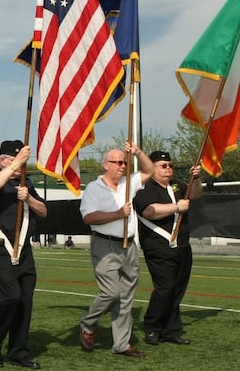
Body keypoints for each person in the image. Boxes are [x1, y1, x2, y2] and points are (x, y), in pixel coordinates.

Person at [78, 142, 153, 359]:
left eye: (124, 162)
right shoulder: (94, 188)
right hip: (105, 244)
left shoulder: (129, 183)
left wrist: (137, 152)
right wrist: (118, 214)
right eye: (117, 162)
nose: (122, 166)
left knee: (126, 297)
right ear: (105, 165)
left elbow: (150, 171)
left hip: (129, 245)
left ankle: (122, 343)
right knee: (111, 292)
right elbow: (89, 217)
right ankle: (88, 324)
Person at [0, 140, 47, 369]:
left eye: (22, 161)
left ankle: (18, 351)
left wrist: (28, 198)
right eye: (15, 160)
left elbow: (43, 210)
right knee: (10, 296)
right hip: (0, 249)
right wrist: (14, 166)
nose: (20, 166)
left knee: (25, 303)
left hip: (24, 251)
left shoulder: (26, 183)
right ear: (3, 161)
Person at [133, 151, 203, 346]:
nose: (168, 169)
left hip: (181, 245)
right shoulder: (146, 188)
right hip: (159, 246)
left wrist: (196, 178)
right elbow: (148, 211)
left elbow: (195, 194)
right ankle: (152, 326)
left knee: (177, 290)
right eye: (163, 165)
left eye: (170, 165)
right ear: (152, 167)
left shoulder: (176, 185)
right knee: (165, 288)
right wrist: (176, 207)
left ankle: (170, 330)